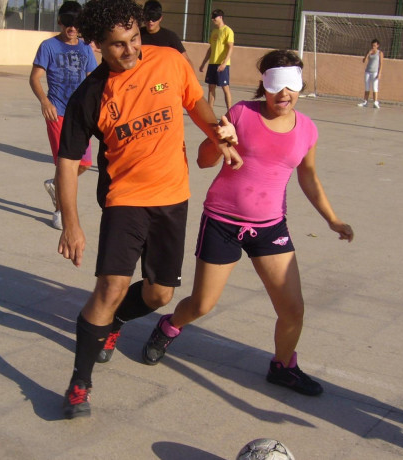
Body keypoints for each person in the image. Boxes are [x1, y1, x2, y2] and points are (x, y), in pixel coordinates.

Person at [56, 0, 242, 419]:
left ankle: (115, 323)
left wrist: (220, 136)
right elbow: (67, 163)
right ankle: (79, 385)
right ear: (98, 46)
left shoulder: (170, 61)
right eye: (118, 45)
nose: (130, 50)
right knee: (110, 287)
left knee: (160, 294)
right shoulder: (90, 94)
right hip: (125, 199)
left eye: (134, 39)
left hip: (173, 196)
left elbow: (196, 103)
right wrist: (71, 224)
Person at [142, 50, 354, 397]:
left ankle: (283, 367)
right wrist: (222, 139)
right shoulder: (241, 112)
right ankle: (169, 327)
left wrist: (332, 219)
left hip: (270, 227)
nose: (283, 94)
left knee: (293, 309)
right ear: (264, 86)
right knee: (201, 304)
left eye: (291, 86)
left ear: (300, 86)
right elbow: (203, 160)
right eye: (275, 86)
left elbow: (309, 178)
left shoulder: (308, 130)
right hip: (222, 221)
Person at [29, 1, 98, 230]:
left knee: (85, 163)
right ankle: (60, 209)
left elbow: (92, 80)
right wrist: (44, 101)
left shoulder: (86, 48)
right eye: (68, 23)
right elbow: (35, 77)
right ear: (60, 22)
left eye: (76, 24)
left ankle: (56, 184)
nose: (72, 28)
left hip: (80, 115)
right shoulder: (48, 46)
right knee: (65, 164)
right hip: (57, 112)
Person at [139, 0, 194, 68]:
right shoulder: (137, 35)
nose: (150, 21)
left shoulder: (170, 37)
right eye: (148, 18)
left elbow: (186, 60)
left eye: (154, 18)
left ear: (160, 18)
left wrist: (192, 77)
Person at [199, 9, 234, 111]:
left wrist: (224, 63)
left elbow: (231, 47)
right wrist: (204, 63)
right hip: (212, 63)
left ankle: (230, 111)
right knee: (211, 87)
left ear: (221, 17)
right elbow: (211, 49)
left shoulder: (227, 31)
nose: (213, 19)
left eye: (215, 17)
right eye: (212, 17)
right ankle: (210, 110)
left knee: (225, 88)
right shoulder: (214, 32)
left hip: (222, 64)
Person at [358, 38, 383, 109]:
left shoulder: (380, 53)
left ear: (378, 45)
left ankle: (375, 102)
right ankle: (365, 102)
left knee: (375, 87)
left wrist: (379, 73)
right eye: (372, 45)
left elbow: (381, 64)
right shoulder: (369, 51)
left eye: (374, 45)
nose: (373, 47)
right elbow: (364, 61)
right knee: (367, 87)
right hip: (368, 71)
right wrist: (368, 54)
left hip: (375, 72)